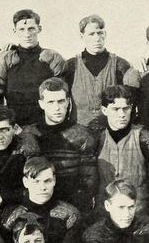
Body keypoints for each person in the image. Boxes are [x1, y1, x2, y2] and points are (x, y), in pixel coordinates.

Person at [20, 77, 98, 211]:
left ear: (68, 102)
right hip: (36, 204)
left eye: (61, 101)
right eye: (50, 102)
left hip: (72, 204)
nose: (57, 108)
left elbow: (89, 180)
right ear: (41, 104)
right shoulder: (30, 134)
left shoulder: (82, 135)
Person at [92, 85, 149, 213]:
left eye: (125, 108)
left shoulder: (145, 138)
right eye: (115, 109)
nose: (122, 114)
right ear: (104, 110)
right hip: (105, 212)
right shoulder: (96, 138)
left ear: (132, 108)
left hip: (138, 211)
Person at [0, 9, 67, 125]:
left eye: (31, 28)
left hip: (47, 125)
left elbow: (62, 98)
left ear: (39, 29)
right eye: (22, 29)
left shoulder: (52, 59)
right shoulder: (5, 60)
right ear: (15, 31)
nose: (27, 34)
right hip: (16, 126)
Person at [0, 157, 80, 243]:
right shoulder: (11, 214)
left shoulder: (69, 214)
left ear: (54, 180)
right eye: (36, 182)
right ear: (25, 182)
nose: (43, 187)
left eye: (48, 181)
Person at [64, 15, 131, 126]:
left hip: (110, 130)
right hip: (78, 130)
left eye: (100, 33)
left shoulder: (120, 65)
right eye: (91, 34)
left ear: (105, 34)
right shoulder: (71, 65)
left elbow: (129, 103)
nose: (97, 38)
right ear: (82, 36)